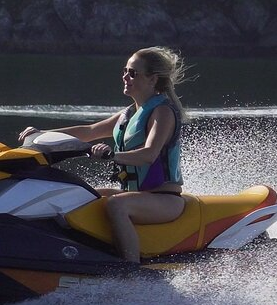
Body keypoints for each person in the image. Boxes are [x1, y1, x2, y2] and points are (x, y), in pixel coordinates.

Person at [18, 46, 189, 263]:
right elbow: (89, 132)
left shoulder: (162, 112)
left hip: (164, 200)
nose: (125, 76)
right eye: (125, 71)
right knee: (76, 195)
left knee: (117, 205)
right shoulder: (129, 114)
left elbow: (149, 155)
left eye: (133, 73)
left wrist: (112, 155)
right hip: (136, 194)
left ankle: (131, 270)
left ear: (152, 80)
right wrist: (42, 134)